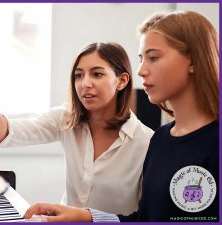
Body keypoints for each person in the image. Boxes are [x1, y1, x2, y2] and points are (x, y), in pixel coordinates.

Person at [22, 11, 219, 222]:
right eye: (141, 59)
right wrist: (85, 216)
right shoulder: (161, 140)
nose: (141, 71)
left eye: (153, 58)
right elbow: (144, 219)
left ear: (193, 61)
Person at [0, 42, 154, 215]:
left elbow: (147, 215)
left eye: (97, 74)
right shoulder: (67, 118)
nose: (85, 84)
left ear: (122, 80)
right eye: (79, 75)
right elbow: (12, 132)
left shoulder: (147, 142)